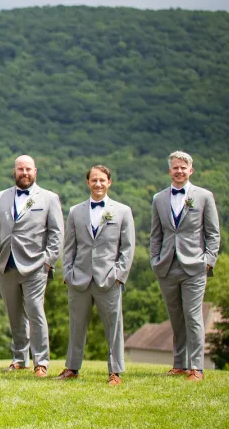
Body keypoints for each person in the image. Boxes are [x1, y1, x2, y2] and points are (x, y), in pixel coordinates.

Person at [54, 165, 135, 386]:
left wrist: (118, 275)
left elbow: (127, 248)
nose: (98, 184)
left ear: (109, 182)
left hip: (109, 279)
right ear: (87, 182)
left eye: (102, 180)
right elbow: (69, 246)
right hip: (78, 278)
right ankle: (72, 368)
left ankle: (115, 372)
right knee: (76, 325)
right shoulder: (75, 211)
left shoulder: (122, 211)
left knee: (113, 327)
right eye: (94, 180)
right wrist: (67, 273)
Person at [0, 154, 63, 377]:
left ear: (35, 171)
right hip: (6, 265)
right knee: (14, 314)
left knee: (35, 311)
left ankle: (41, 361)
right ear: (14, 171)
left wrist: (48, 262)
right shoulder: (1, 197)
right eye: (20, 169)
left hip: (35, 266)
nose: (24, 173)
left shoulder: (49, 198)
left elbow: (57, 234)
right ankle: (20, 359)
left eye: (28, 169)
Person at [150, 151, 220, 382]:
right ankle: (179, 364)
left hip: (195, 267)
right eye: (175, 167)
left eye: (183, 167)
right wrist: (155, 260)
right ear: (169, 171)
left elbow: (213, 233)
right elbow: (156, 235)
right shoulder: (159, 199)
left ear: (191, 170)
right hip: (167, 266)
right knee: (176, 317)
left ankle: (196, 367)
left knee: (193, 316)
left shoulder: (204, 196)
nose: (179, 171)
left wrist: (208, 262)